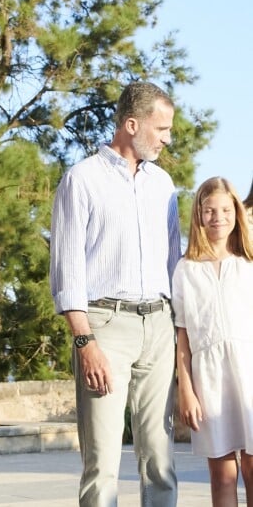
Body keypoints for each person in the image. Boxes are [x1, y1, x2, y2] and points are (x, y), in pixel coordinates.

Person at [50, 81, 182, 507]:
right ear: (131, 124)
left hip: (159, 325)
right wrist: (85, 342)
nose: (167, 138)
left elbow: (174, 266)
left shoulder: (164, 185)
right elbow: (67, 269)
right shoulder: (81, 180)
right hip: (105, 327)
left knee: (160, 461)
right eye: (161, 129)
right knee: (103, 463)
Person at [172, 177, 253, 507]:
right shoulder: (185, 269)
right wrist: (186, 390)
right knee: (222, 477)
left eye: (224, 209)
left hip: (249, 375)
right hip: (209, 381)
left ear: (236, 212)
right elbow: (183, 337)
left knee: (252, 468)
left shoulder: (248, 265)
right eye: (209, 210)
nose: (218, 217)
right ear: (199, 215)